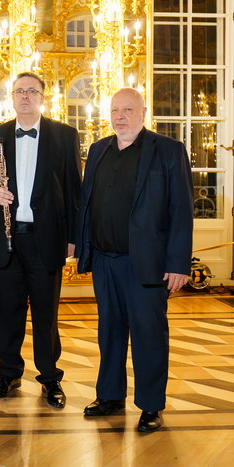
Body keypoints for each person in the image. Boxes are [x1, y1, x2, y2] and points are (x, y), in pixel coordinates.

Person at [75, 88, 193, 432]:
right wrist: (80, 245)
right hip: (104, 260)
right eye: (115, 110)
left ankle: (151, 405)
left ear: (143, 112)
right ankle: (110, 396)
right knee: (109, 332)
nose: (120, 116)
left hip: (148, 263)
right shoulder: (98, 150)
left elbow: (181, 210)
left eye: (128, 110)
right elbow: (87, 204)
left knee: (148, 335)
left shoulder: (168, 150)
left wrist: (178, 263)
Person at [0, 72, 81, 408]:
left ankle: (50, 378)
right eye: (19, 91)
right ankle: (9, 373)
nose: (25, 96)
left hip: (47, 239)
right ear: (12, 98)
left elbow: (74, 191)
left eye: (32, 91)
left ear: (43, 97)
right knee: (8, 312)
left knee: (46, 315)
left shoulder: (64, 135)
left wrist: (73, 238)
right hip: (5, 240)